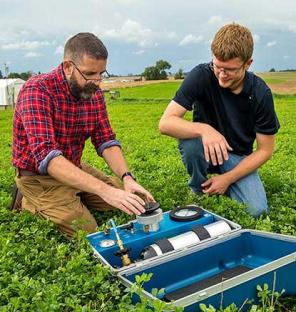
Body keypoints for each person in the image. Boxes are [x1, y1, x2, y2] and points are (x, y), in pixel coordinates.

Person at [12, 32, 154, 237]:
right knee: (86, 230)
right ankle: (29, 201)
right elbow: (47, 157)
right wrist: (104, 191)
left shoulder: (93, 93)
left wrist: (127, 178)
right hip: (39, 176)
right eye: (89, 73)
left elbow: (105, 139)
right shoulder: (37, 90)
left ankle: (73, 195)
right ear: (68, 66)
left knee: (128, 202)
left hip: (73, 166)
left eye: (101, 74)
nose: (96, 82)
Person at [159, 23, 280, 217]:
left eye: (230, 69)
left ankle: (223, 183)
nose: (222, 75)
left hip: (237, 157)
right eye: (218, 66)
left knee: (257, 211)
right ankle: (199, 189)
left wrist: (228, 178)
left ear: (248, 64)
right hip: (204, 149)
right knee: (191, 142)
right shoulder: (201, 75)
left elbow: (265, 150)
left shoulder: (260, 93)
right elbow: (165, 123)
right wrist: (205, 130)